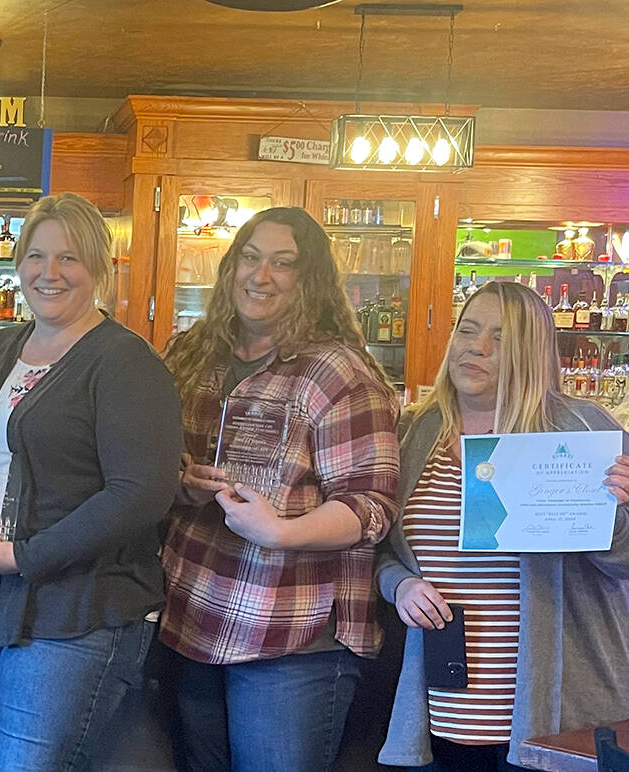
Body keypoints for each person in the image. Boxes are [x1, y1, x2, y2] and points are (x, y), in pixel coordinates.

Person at [376, 280, 629, 771]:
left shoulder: (585, 429)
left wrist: (603, 515)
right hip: (447, 703)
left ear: (531, 352)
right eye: (468, 330)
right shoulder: (412, 432)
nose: (477, 347)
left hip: (560, 703)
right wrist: (399, 585)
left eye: (501, 339)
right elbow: (378, 543)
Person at [159, 206, 401, 772]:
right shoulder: (192, 353)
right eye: (250, 257)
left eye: (282, 264)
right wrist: (182, 483)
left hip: (292, 636)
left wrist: (284, 531)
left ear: (308, 279)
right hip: (190, 612)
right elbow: (155, 464)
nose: (260, 276)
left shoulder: (338, 373)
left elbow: (372, 505)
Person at [0, 192, 182, 769]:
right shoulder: (2, 347)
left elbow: (141, 494)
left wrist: (24, 555)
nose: (48, 273)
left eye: (69, 259)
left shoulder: (125, 361)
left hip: (79, 609)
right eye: (35, 256)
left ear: (100, 268)